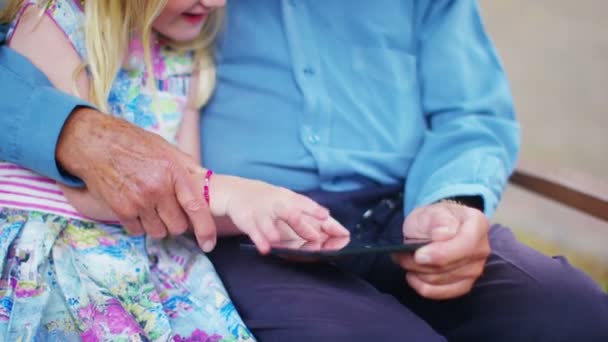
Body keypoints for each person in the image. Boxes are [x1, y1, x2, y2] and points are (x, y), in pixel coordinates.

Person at [1, 0, 607, 341]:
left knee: (572, 313)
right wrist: (74, 134)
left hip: (406, 214)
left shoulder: (185, 38)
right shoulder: (127, 25)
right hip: (251, 234)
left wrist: (454, 202)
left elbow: (471, 114)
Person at [0, 0, 349, 340]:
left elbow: (186, 203)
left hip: (155, 267)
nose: (217, 3)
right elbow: (92, 195)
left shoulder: (184, 58)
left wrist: (268, 219)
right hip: (60, 266)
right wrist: (235, 192)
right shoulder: (50, 21)